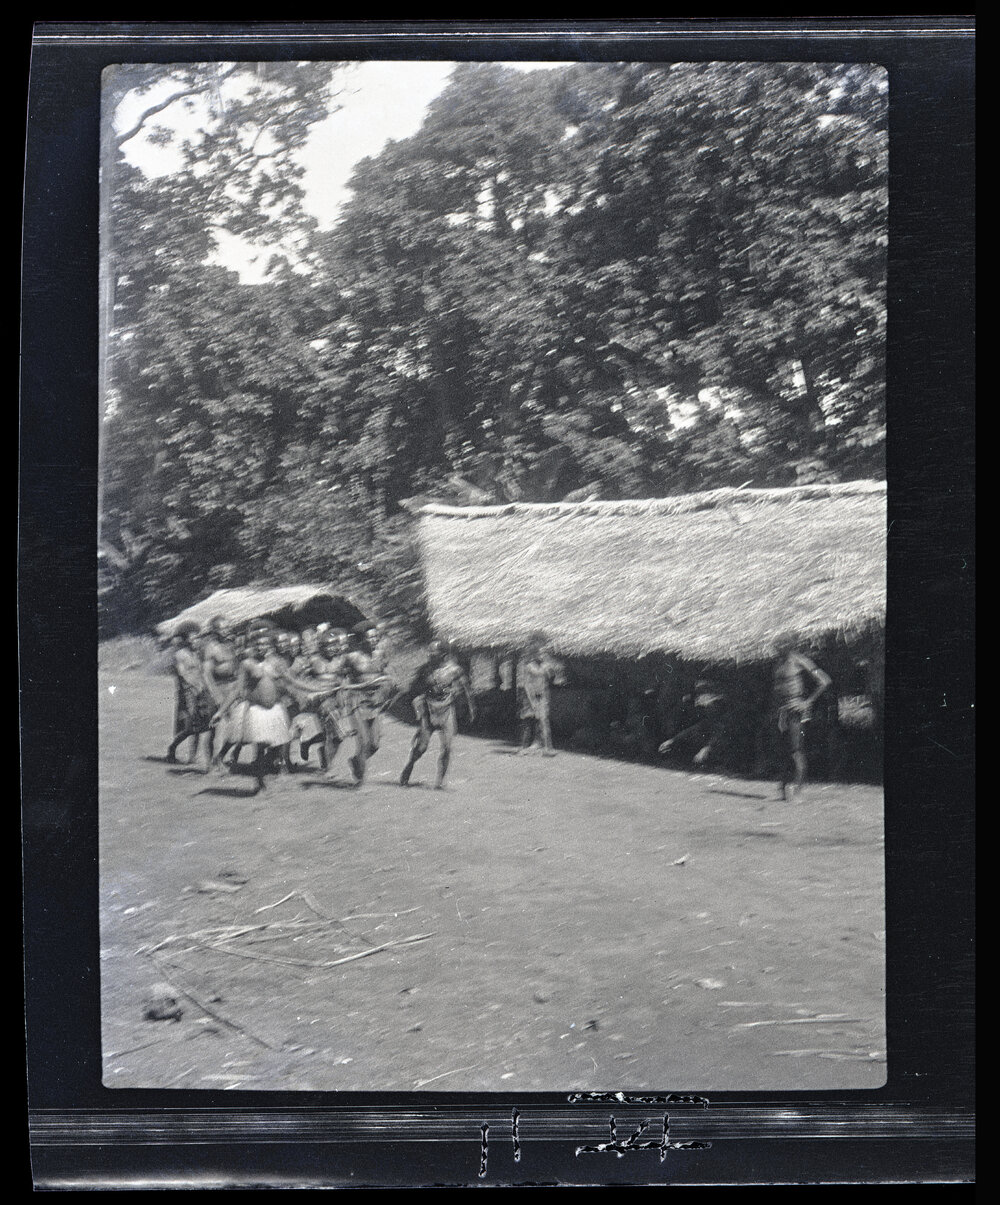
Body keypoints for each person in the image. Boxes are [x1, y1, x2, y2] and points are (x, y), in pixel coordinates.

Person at [211, 624, 292, 794]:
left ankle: (264, 774)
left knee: (275, 744)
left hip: (275, 710)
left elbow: (291, 682)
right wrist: (220, 711)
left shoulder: (277, 663)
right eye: (258, 644)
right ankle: (259, 782)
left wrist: (316, 690)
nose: (262, 647)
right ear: (253, 646)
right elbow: (237, 690)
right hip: (256, 710)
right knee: (258, 745)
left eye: (265, 644)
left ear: (270, 645)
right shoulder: (247, 664)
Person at [399, 639, 475, 789]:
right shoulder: (425, 670)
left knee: (447, 747)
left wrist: (471, 708)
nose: (430, 655)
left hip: (447, 710)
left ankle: (440, 781)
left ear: (443, 654)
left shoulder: (455, 670)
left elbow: (466, 688)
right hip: (429, 710)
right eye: (430, 652)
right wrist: (416, 702)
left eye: (434, 653)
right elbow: (414, 689)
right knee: (422, 747)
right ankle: (410, 764)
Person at [770, 634, 832, 799]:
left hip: (796, 709)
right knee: (783, 751)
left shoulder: (799, 660)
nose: (775, 648)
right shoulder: (779, 663)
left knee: (795, 750)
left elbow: (825, 681)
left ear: (787, 646)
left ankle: (797, 792)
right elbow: (777, 689)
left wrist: (807, 702)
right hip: (782, 710)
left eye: (778, 645)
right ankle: (783, 792)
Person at [341, 623, 395, 785]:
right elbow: (340, 675)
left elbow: (387, 672)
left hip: (374, 702)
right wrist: (343, 688)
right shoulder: (352, 657)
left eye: (375, 637)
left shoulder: (380, 654)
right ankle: (360, 780)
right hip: (357, 701)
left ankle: (357, 761)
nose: (373, 640)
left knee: (375, 744)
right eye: (369, 637)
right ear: (361, 639)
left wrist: (389, 681)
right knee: (364, 742)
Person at [166, 621, 216, 769]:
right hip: (187, 693)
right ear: (185, 639)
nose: (196, 641)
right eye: (193, 638)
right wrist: (195, 687)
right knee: (189, 728)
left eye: (197, 638)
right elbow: (183, 675)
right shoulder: (179, 655)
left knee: (201, 725)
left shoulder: (196, 653)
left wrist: (204, 688)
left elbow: (202, 672)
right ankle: (172, 748)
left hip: (200, 691)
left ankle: (192, 757)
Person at [658, 676, 729, 767]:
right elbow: (696, 728)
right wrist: (673, 740)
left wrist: (707, 748)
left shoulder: (724, 716)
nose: (705, 708)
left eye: (709, 706)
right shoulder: (710, 717)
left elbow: (720, 732)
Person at [516, 637, 565, 756]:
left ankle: (547, 748)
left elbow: (557, 673)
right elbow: (526, 685)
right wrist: (531, 701)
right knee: (528, 721)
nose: (541, 654)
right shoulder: (528, 666)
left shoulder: (545, 665)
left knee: (543, 720)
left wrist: (556, 670)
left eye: (543, 652)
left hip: (541, 695)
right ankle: (523, 747)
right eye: (539, 652)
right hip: (529, 697)